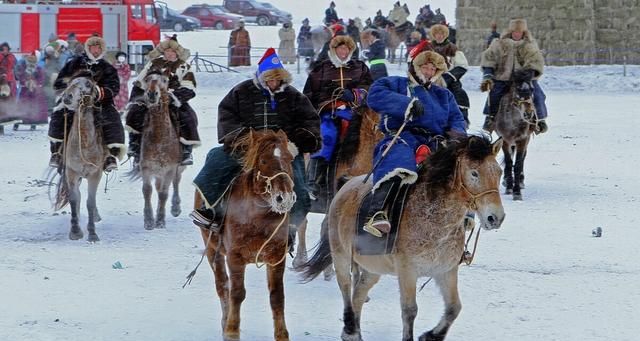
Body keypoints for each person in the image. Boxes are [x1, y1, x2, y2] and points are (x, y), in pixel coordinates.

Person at [190, 48, 320, 231]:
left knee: (297, 181)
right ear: (261, 76)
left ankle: (290, 224)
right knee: (217, 159)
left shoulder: (294, 96)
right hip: (249, 147)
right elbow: (227, 116)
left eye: (276, 78)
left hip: (283, 150)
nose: (272, 82)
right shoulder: (241, 92)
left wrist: (295, 144)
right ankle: (211, 210)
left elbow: (310, 121)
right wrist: (242, 140)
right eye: (269, 78)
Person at [364, 46, 466, 236]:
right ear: (416, 66)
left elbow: (457, 119)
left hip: (437, 143)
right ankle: (377, 212)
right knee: (398, 160)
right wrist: (406, 104)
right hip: (403, 136)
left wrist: (457, 137)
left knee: (461, 170)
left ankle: (464, 218)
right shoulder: (397, 83)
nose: (428, 72)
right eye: (425, 67)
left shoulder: (444, 95)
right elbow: (375, 95)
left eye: (433, 69)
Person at [303, 35, 373, 199]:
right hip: (328, 112)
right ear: (334, 50)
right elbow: (309, 94)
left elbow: (369, 86)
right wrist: (327, 102)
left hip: (355, 111)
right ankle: (314, 179)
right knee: (326, 134)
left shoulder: (360, 67)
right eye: (341, 48)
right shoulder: (321, 68)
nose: (344, 52)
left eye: (347, 49)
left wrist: (355, 95)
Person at [48, 35, 125, 172]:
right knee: (59, 114)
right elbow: (60, 81)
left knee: (112, 118)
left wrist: (99, 92)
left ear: (102, 49)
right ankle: (57, 151)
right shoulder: (75, 63)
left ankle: (110, 154)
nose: (95, 50)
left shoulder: (107, 67)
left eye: (98, 48)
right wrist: (71, 89)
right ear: (88, 48)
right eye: (92, 47)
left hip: (99, 102)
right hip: (74, 101)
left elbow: (114, 87)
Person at [125, 35, 200, 166]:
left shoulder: (183, 66)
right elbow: (140, 82)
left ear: (177, 52)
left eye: (172, 51)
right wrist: (136, 99)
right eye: (167, 51)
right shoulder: (153, 64)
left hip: (173, 100)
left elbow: (189, 87)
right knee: (134, 113)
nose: (170, 54)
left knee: (188, 117)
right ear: (163, 51)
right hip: (150, 98)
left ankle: (186, 151)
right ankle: (135, 146)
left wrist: (173, 97)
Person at [480, 18, 548, 134]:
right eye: (515, 32)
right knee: (494, 94)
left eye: (519, 32)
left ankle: (540, 119)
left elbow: (535, 60)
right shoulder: (499, 43)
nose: (517, 34)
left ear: (523, 33)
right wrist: (488, 74)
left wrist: (529, 74)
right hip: (502, 78)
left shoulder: (529, 45)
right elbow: (489, 58)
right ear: (510, 32)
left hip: (523, 78)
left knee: (538, 94)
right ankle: (490, 117)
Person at [429, 24, 471, 126]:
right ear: (434, 35)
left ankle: (461, 121)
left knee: (459, 94)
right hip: (429, 79)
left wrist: (446, 78)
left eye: (441, 34)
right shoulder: (428, 47)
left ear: (445, 35)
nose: (439, 36)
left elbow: (462, 66)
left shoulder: (452, 49)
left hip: (450, 81)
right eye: (437, 34)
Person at [15, 52, 47, 125]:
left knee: (35, 105)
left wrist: (35, 83)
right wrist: (25, 82)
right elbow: (20, 76)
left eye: (33, 61)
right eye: (30, 61)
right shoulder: (23, 68)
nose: (31, 62)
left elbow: (41, 78)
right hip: (25, 90)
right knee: (24, 104)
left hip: (35, 91)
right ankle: (24, 119)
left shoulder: (38, 69)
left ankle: (35, 119)